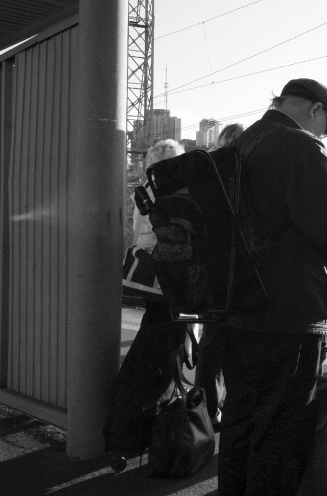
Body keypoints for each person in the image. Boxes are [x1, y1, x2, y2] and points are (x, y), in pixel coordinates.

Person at [217, 78, 327, 496]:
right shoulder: (300, 147)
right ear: (316, 111)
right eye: (326, 129)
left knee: (240, 421)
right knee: (281, 432)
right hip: (287, 314)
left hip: (236, 307)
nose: (324, 137)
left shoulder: (243, 144)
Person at [105, 139, 187, 453]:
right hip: (169, 279)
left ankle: (132, 423)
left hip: (149, 278)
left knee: (154, 341)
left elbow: (138, 235)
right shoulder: (176, 194)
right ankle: (145, 425)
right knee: (164, 347)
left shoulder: (143, 191)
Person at [196, 122, 245, 429]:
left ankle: (205, 408)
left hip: (207, 266)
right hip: (237, 268)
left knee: (211, 342)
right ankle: (228, 408)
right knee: (236, 342)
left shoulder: (206, 169)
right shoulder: (242, 171)